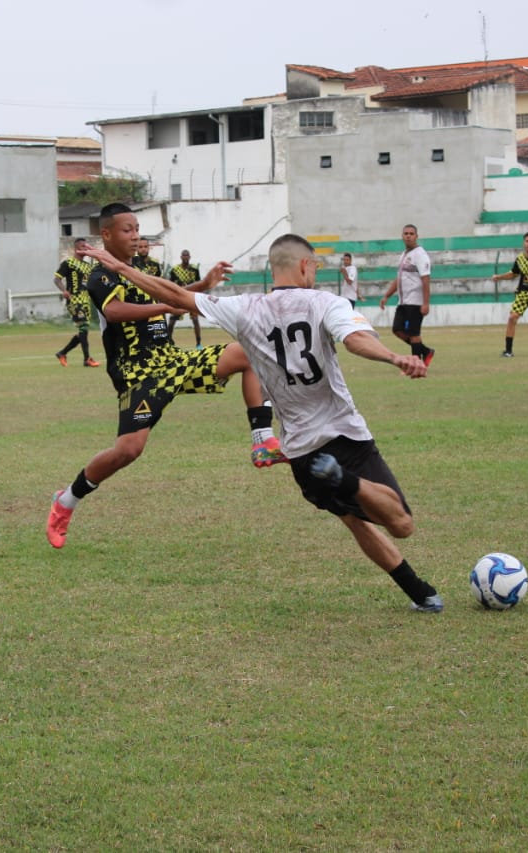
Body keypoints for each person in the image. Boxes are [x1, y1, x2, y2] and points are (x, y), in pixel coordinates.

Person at [84, 233, 442, 613]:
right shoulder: (328, 302)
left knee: (354, 519)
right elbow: (355, 340)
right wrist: (392, 357)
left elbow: (176, 297)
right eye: (315, 267)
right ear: (305, 266)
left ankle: (418, 592)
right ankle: (345, 479)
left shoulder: (245, 308)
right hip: (342, 434)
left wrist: (121, 268)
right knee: (401, 524)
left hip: (301, 452)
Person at [46, 203, 286, 550]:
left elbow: (175, 294)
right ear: (107, 234)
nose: (135, 235)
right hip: (138, 374)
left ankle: (262, 440)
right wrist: (166, 307)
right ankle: (65, 501)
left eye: (137, 228)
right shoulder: (100, 275)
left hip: (171, 360)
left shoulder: (141, 269)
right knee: (128, 451)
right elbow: (113, 312)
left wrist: (205, 283)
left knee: (249, 353)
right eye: (127, 230)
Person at [378, 224, 434, 366]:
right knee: (397, 330)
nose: (408, 235)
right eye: (406, 233)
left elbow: (426, 279)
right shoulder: (404, 255)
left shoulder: (420, 255)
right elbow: (399, 278)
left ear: (416, 236)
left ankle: (416, 364)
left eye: (411, 233)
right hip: (403, 301)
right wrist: (387, 296)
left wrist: (426, 303)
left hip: (416, 301)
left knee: (414, 334)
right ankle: (425, 350)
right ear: (402, 236)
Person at [490, 231, 528, 357]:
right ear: (524, 243)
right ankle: (508, 351)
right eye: (527, 241)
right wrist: (499, 277)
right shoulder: (520, 259)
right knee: (512, 318)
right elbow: (513, 274)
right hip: (522, 294)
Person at [52, 238, 100, 368]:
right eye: (82, 247)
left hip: (85, 300)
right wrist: (64, 291)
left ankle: (62, 353)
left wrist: (94, 251)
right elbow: (57, 279)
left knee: (83, 332)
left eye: (86, 247)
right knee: (83, 328)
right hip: (74, 300)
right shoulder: (69, 263)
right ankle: (87, 359)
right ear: (76, 248)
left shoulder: (88, 266)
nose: (85, 249)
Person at [166, 249, 203, 348]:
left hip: (191, 297)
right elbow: (170, 284)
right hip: (179, 298)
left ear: (189, 257)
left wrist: (198, 297)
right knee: (172, 320)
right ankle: (169, 341)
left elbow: (199, 284)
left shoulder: (194, 269)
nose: (185, 257)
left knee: (195, 320)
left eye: (187, 256)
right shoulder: (175, 270)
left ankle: (198, 344)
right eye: (184, 256)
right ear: (181, 257)